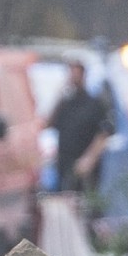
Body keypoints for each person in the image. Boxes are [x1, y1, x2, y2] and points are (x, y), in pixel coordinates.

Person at [46, 60, 114, 193]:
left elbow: (104, 132)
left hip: (85, 164)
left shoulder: (94, 104)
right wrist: (59, 95)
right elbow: (49, 124)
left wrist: (90, 158)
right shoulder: (65, 104)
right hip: (65, 162)